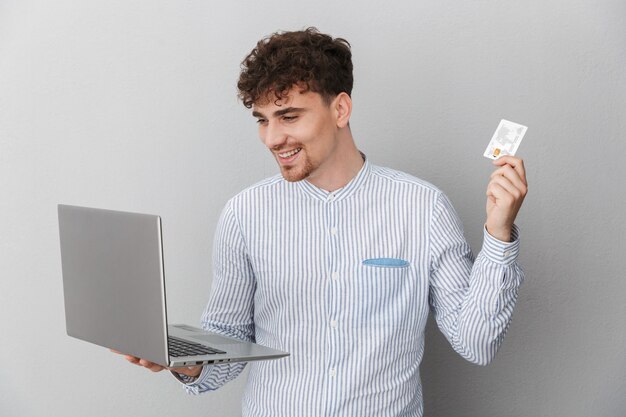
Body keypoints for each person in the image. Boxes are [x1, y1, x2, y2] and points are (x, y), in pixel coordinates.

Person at [116, 27, 528, 416]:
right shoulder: (244, 214)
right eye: (263, 119)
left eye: (289, 117)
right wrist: (180, 360)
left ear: (341, 109)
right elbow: (230, 345)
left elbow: (478, 343)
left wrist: (498, 234)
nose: (272, 138)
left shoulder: (422, 207)